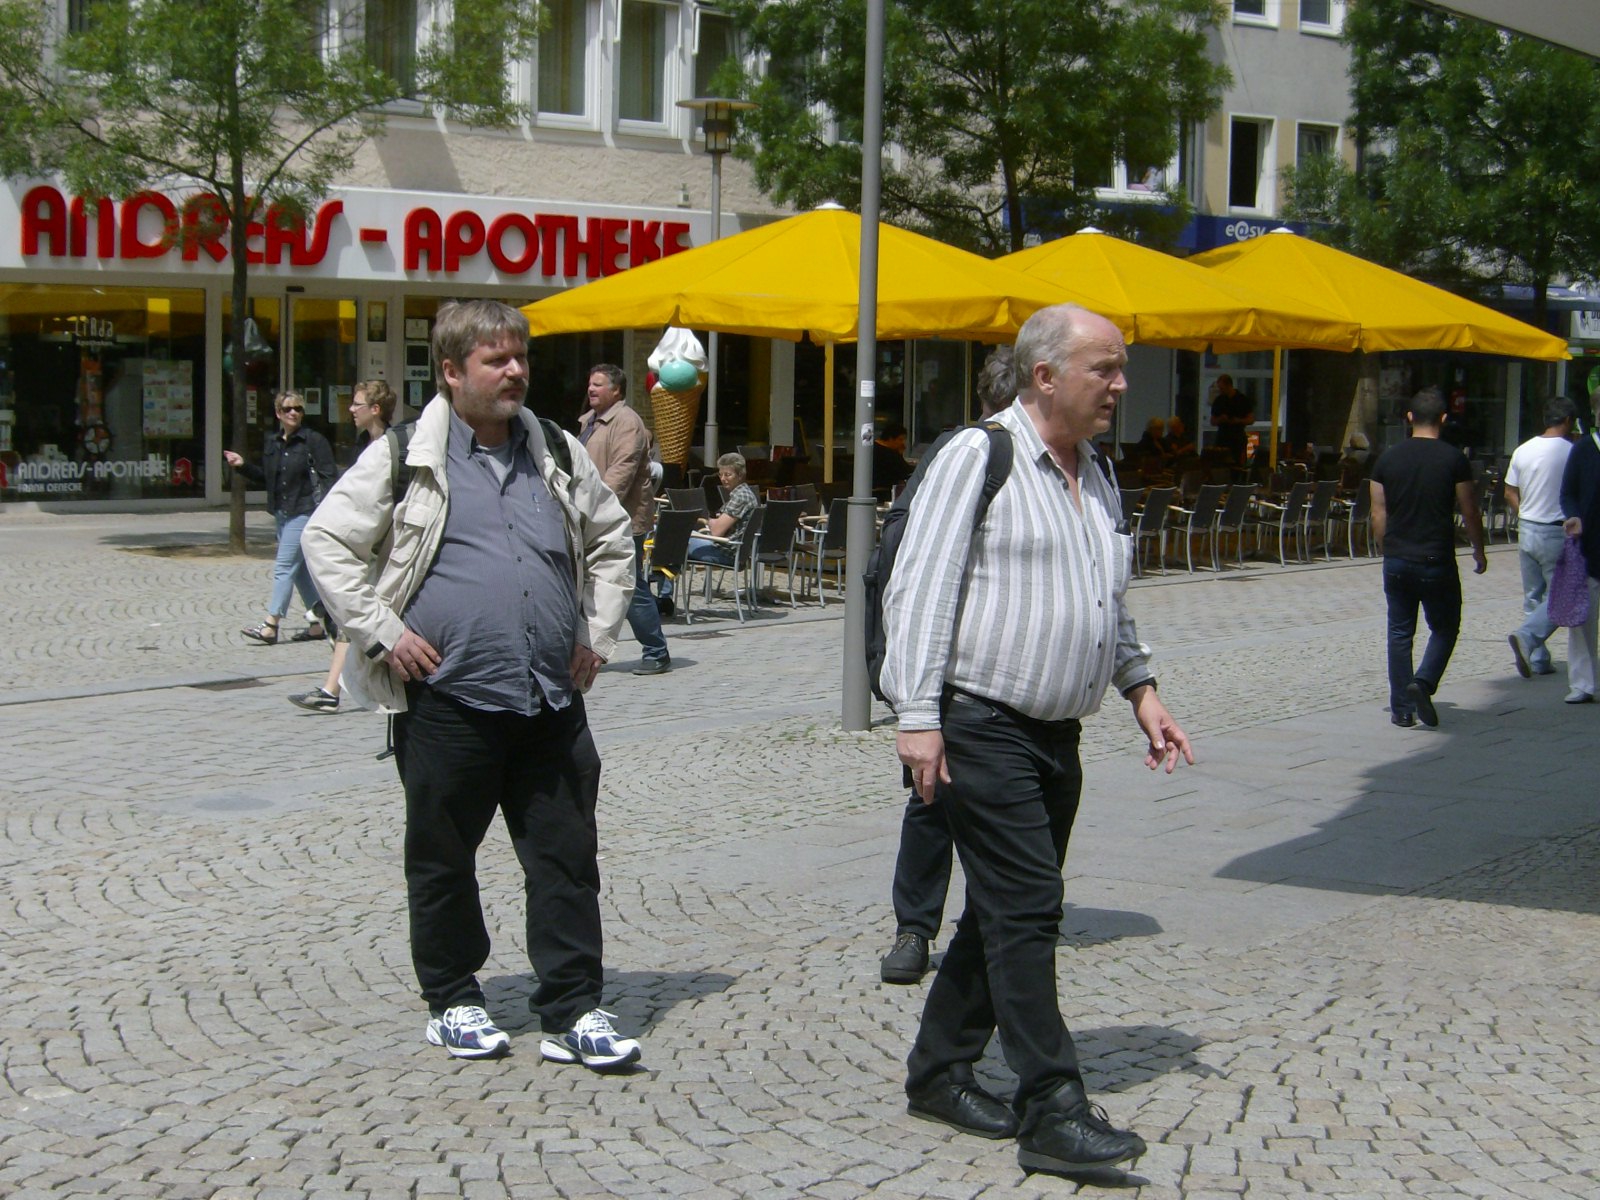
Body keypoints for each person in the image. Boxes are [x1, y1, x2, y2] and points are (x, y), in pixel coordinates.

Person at [881, 304, 1193, 1174]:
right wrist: (917, 718)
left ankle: (940, 1069)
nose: (1121, 386)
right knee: (1029, 909)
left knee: (1001, 908)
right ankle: (1052, 1103)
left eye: (1123, 368)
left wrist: (1142, 687)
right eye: (1106, 368)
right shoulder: (980, 457)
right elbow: (921, 590)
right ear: (1045, 375)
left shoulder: (1096, 474)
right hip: (982, 719)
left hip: (1058, 733)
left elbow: (1107, 595)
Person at [301, 300, 642, 1066]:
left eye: (520, 356)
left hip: (549, 700)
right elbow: (326, 539)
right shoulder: (405, 455)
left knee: (565, 859)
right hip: (450, 702)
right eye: (497, 360)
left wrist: (597, 630)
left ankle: (574, 1009)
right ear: (452, 372)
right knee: (444, 858)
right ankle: (452, 997)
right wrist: (383, 632)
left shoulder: (555, 445)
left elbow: (613, 538)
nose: (516, 370)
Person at [880, 343, 1018, 987]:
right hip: (951, 674)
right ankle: (915, 926)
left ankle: (973, 926)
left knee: (965, 807)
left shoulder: (1073, 463)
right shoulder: (967, 455)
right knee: (930, 799)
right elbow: (913, 572)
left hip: (1009, 682)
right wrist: (912, 693)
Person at [1369, 386, 1487, 728]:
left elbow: (1378, 513)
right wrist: (1478, 548)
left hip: (1398, 558)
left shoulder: (1387, 459)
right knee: (1446, 627)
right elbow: (1470, 509)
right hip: (1436, 557)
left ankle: (1402, 709)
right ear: (1444, 419)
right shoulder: (1453, 459)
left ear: (1409, 418)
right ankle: (1423, 681)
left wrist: (1385, 547)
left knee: (1400, 632)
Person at [289, 380, 397, 713]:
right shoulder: (362, 446)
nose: (351, 409)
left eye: (357, 404)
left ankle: (333, 689)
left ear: (375, 410)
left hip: (380, 553)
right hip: (363, 550)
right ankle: (331, 689)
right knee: (348, 618)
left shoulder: (395, 449)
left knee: (354, 617)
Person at [579, 363, 672, 676]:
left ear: (616, 390)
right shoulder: (591, 422)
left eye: (598, 385)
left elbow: (621, 472)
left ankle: (656, 652)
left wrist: (594, 510)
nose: (591, 389)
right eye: (590, 384)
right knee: (584, 584)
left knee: (630, 587)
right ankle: (582, 649)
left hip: (620, 518)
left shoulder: (626, 422)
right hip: (592, 516)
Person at [225, 390, 336, 645]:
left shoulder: (313, 441)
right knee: (300, 573)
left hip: (306, 511)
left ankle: (271, 624)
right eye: (288, 409)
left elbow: (329, 478)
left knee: (284, 567)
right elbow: (268, 478)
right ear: (278, 414)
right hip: (282, 513)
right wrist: (242, 465)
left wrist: (329, 513)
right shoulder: (273, 442)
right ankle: (318, 624)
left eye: (298, 408)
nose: (294, 413)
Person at [1505, 398, 1577, 683]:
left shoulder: (1523, 450)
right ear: (1569, 421)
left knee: (1533, 596)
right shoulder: (1572, 452)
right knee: (1562, 596)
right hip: (1556, 530)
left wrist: (1524, 512)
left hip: (1528, 528)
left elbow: (1510, 490)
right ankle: (1527, 637)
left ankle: (1538, 659)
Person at [1558, 389, 1600, 703]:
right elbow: (1568, 492)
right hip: (1588, 548)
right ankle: (1583, 684)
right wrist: (1572, 516)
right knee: (1583, 619)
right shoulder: (1583, 449)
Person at [687, 452, 760, 566]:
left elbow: (716, 532)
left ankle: (662, 580)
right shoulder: (745, 493)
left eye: (728, 475)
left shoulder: (741, 497)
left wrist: (707, 520)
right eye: (720, 475)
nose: (723, 479)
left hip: (725, 553)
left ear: (740, 475)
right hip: (734, 551)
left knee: (675, 538)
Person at [1208, 373, 1254, 466]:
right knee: (1221, 464)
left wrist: (1239, 421)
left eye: (1222, 388)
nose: (1221, 391)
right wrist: (1220, 419)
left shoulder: (1242, 399)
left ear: (1229, 385)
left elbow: (1251, 419)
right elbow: (1212, 421)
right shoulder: (1219, 400)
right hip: (1223, 437)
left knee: (1238, 464)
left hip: (1237, 437)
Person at [872, 421, 915, 501]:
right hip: (883, 492)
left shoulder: (873, 447)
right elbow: (905, 472)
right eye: (900, 439)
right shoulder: (890, 454)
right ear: (890, 438)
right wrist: (900, 454)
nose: (902, 443)